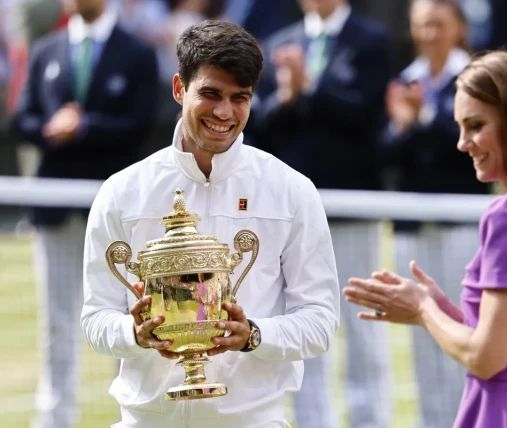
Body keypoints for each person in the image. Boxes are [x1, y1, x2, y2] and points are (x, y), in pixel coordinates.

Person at [80, 20, 340, 428]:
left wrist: (253, 334)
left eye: (240, 98)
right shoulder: (123, 191)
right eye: (210, 93)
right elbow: (95, 317)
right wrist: (134, 333)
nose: (224, 112)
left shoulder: (291, 190)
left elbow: (321, 321)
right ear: (179, 89)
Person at [343, 50, 507, 427]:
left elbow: (488, 359)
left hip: (504, 413)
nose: (462, 142)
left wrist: (424, 309)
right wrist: (440, 310)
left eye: (475, 125)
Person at [12, 0, 158, 426]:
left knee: (128, 319)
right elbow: (22, 117)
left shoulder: (136, 52)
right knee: (56, 322)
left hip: (117, 213)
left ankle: (130, 415)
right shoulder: (46, 50)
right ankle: (55, 417)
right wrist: (50, 127)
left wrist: (86, 126)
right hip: (55, 208)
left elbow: (141, 122)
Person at [251, 1, 393, 427]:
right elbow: (261, 122)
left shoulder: (372, 39)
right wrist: (288, 98)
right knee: (300, 320)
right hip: (293, 210)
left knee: (362, 327)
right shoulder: (279, 42)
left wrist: (311, 87)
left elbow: (367, 114)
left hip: (351, 205)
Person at [380, 1, 490, 425]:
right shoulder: (405, 79)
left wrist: (422, 117)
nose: (429, 33)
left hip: (460, 220)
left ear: (458, 27)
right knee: (424, 331)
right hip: (413, 223)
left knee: (464, 323)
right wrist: (403, 125)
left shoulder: (475, 79)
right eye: (422, 25)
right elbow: (386, 154)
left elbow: (464, 145)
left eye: (438, 24)